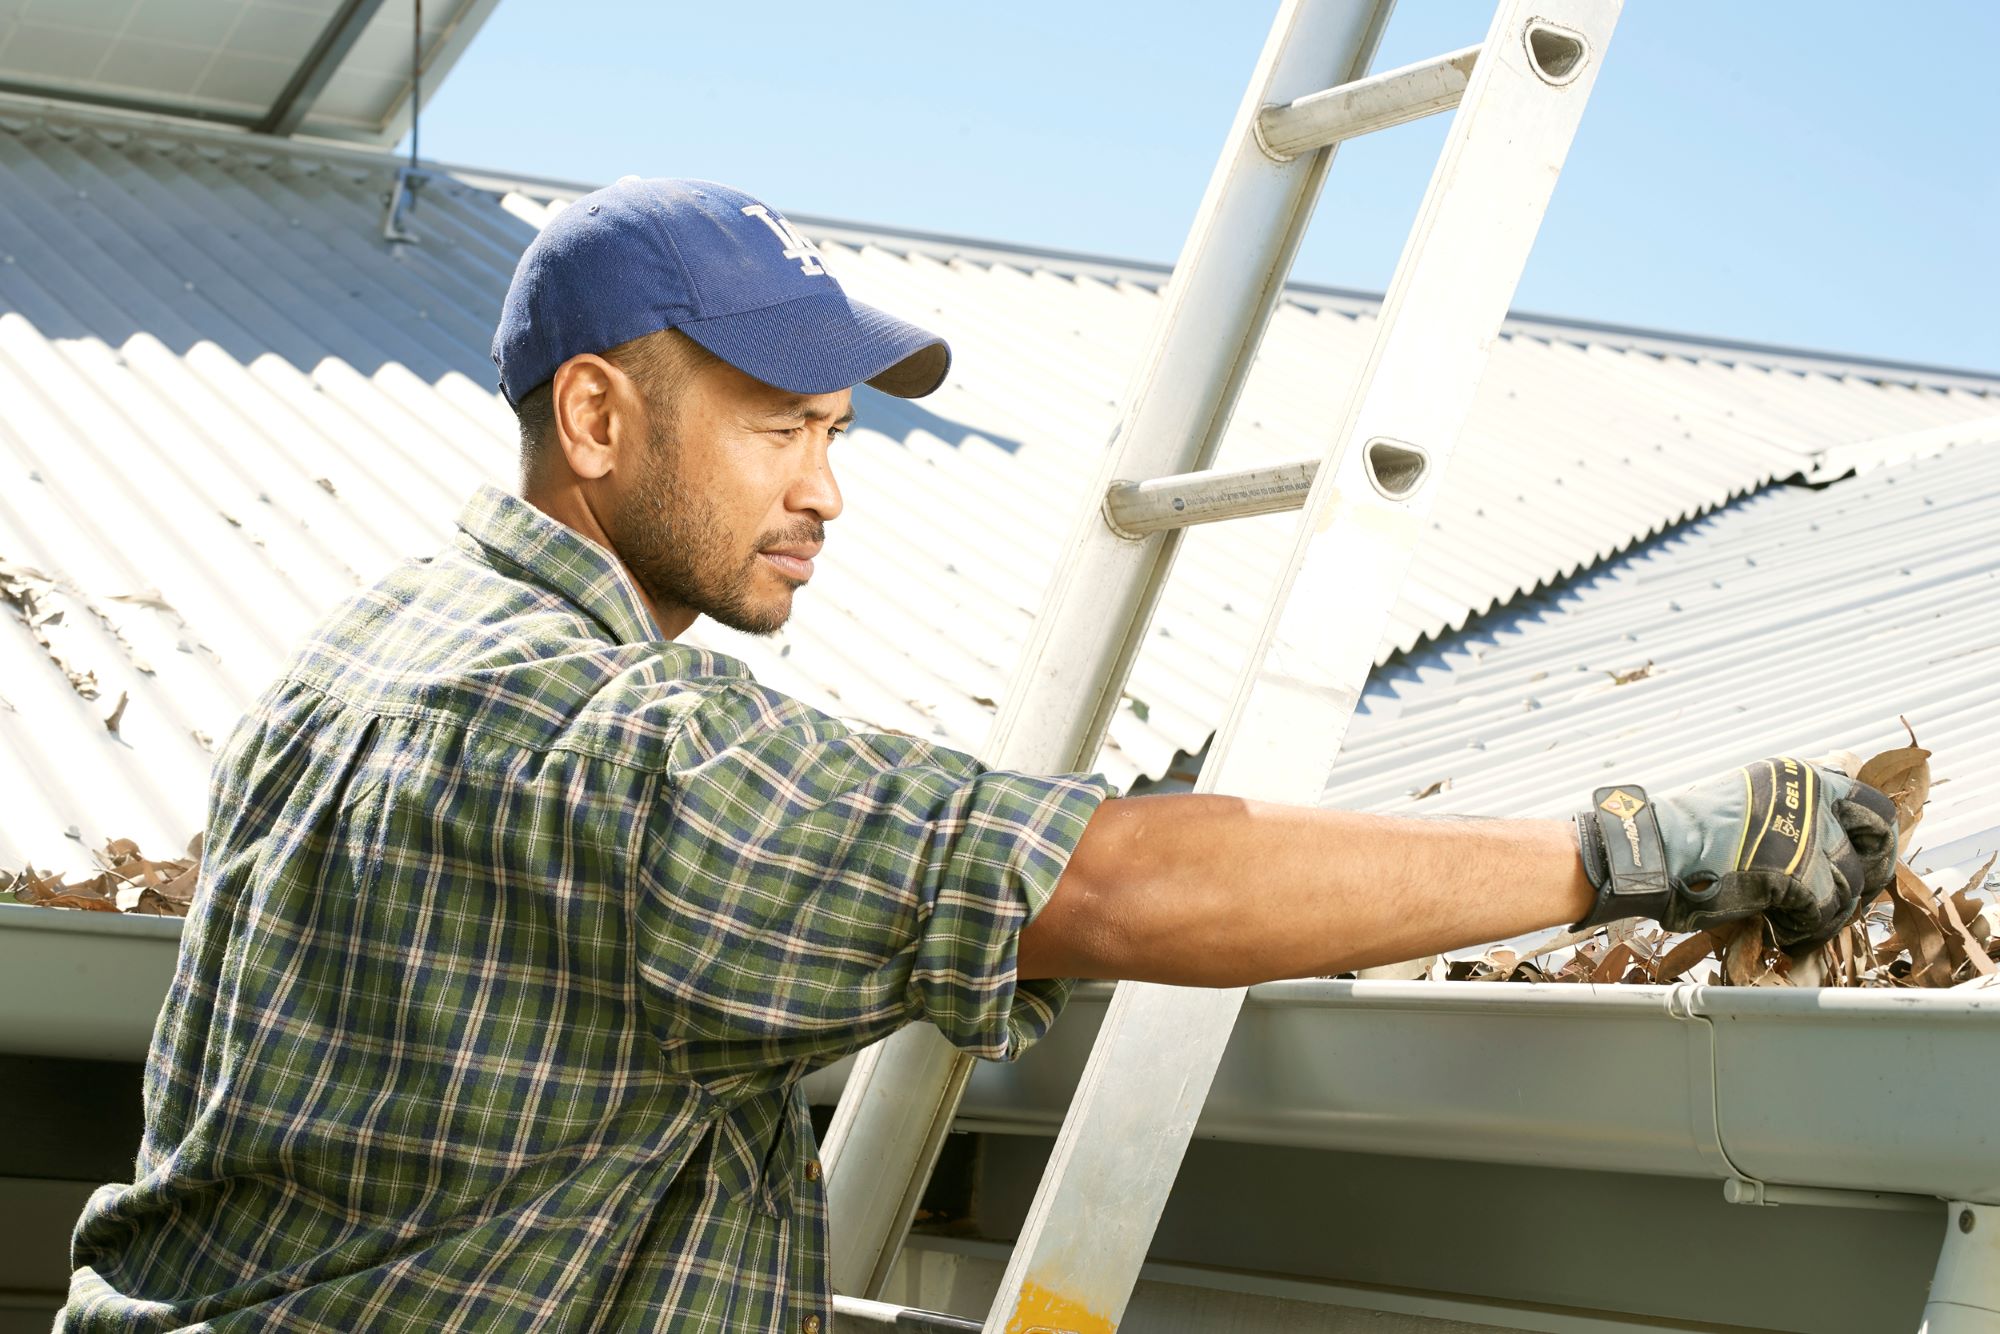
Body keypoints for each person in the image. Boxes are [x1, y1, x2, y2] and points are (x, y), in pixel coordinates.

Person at [60, 178, 1899, 1332]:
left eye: (839, 431)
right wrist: (1639, 844)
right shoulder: (617, 744)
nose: (826, 488)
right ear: (599, 415)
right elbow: (1119, 879)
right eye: (781, 425)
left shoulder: (354, 660)